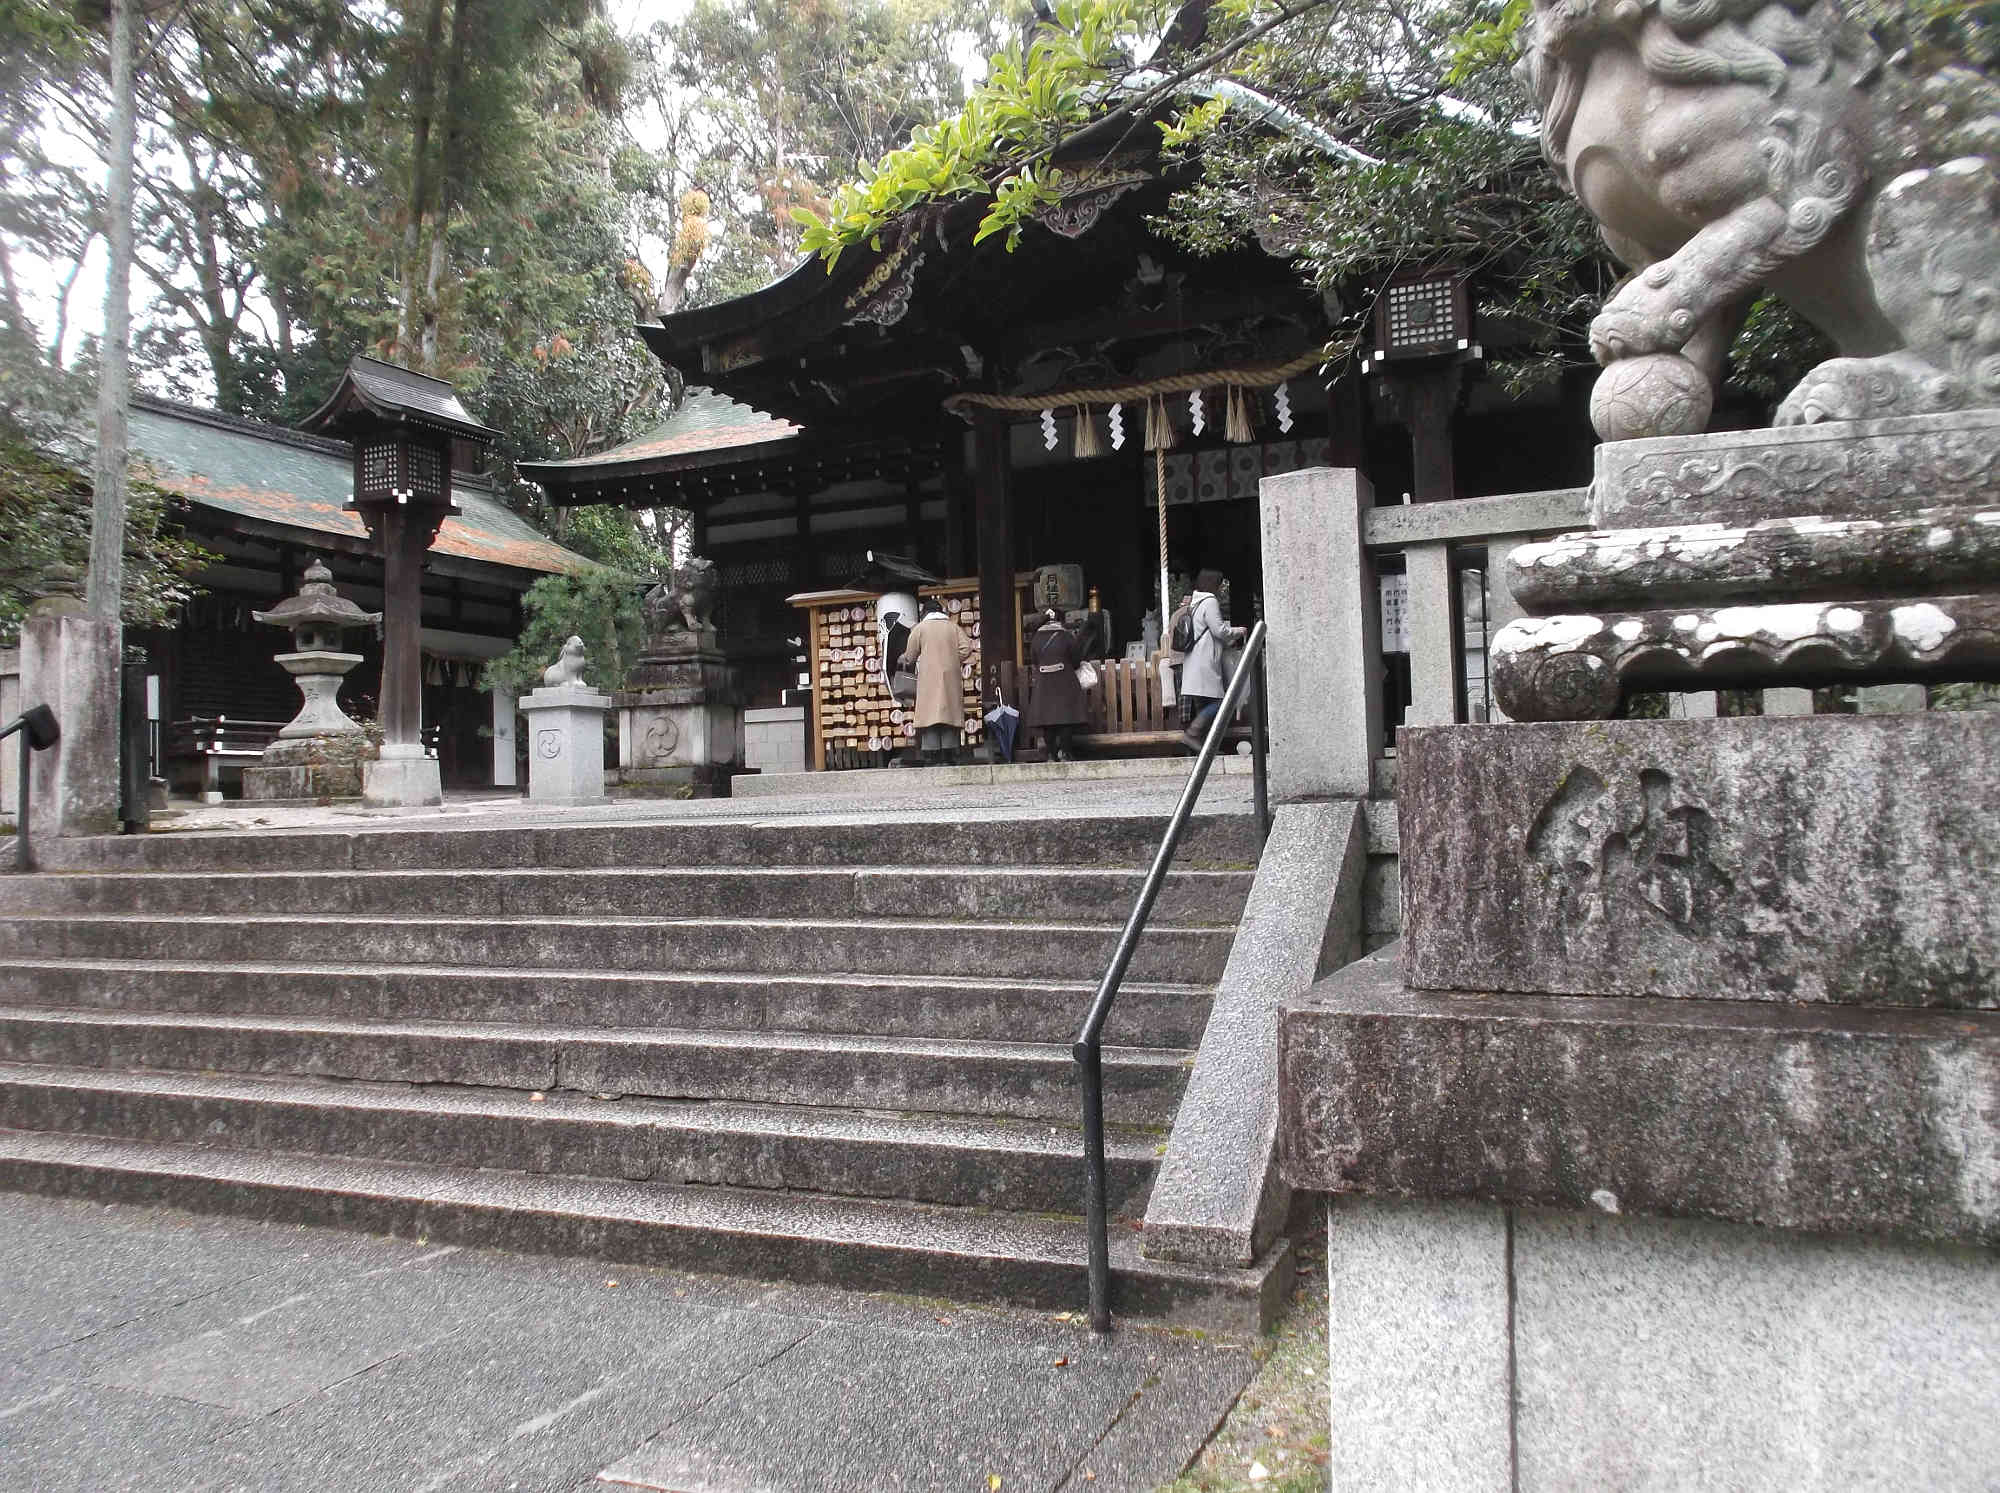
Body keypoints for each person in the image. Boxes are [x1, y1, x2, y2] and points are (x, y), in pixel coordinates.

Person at [898, 596, 973, 765]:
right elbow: (966, 648)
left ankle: (932, 755)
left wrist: (903, 658)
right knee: (948, 714)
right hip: (950, 677)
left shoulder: (920, 628)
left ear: (925, 613)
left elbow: (910, 656)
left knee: (930, 715)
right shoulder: (953, 627)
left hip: (928, 677)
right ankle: (949, 753)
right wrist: (953, 659)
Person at [1178, 568, 1247, 752]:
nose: (1221, 587)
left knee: (1204, 705)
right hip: (1205, 662)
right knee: (1221, 703)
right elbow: (1219, 631)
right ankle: (1192, 734)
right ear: (1213, 584)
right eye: (1220, 583)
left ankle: (1205, 749)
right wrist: (1238, 631)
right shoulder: (1209, 601)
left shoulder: (1194, 602)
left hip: (1194, 660)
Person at [1024, 607, 1087, 762]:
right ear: (1060, 620)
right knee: (1066, 719)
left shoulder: (1036, 638)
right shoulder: (1066, 637)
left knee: (1048, 721)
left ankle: (1051, 754)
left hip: (1044, 684)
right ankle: (1065, 752)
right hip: (1065, 683)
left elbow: (1034, 661)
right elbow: (1076, 660)